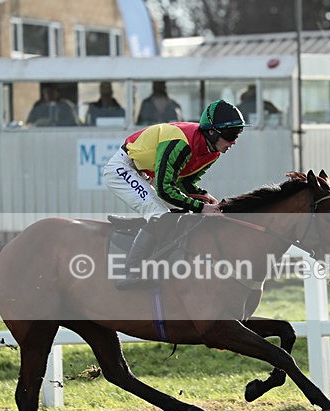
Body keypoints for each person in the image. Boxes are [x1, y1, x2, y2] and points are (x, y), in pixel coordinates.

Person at [103, 100, 249, 289]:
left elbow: (185, 182)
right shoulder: (180, 143)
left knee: (182, 213)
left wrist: (205, 197)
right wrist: (202, 207)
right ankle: (131, 271)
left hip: (146, 173)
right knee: (160, 215)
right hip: (123, 168)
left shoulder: (213, 151)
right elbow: (165, 190)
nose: (234, 141)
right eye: (230, 135)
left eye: (238, 134)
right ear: (211, 132)